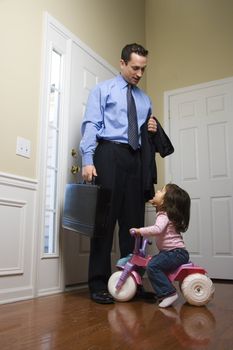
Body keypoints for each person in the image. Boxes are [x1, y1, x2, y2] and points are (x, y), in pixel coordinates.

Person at [79, 43, 158, 304]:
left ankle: (132, 282)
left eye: (143, 69)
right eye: (134, 67)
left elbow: (144, 135)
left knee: (133, 226)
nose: (138, 73)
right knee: (104, 222)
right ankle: (98, 283)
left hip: (135, 159)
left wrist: (152, 128)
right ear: (122, 63)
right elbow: (91, 124)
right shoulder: (103, 90)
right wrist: (88, 159)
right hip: (108, 154)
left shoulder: (145, 99)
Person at [130, 183, 190, 308]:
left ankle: (169, 293)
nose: (157, 191)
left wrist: (139, 230)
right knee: (153, 262)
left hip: (174, 253)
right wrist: (157, 202)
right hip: (174, 253)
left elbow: (157, 229)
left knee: (152, 266)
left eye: (161, 191)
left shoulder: (163, 215)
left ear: (165, 201)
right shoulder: (166, 214)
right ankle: (164, 290)